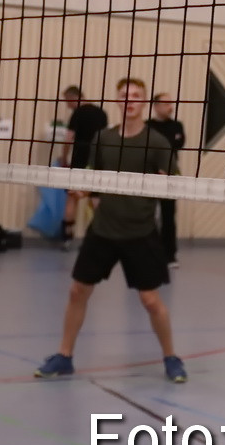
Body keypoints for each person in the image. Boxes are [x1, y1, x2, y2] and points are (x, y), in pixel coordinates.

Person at [35, 78, 187, 383]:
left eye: (136, 96)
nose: (130, 100)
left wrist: (167, 181)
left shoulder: (158, 142)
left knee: (151, 301)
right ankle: (64, 356)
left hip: (140, 231)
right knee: (77, 291)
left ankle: (171, 357)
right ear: (117, 101)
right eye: (124, 96)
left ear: (143, 102)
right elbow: (93, 175)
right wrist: (84, 192)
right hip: (103, 229)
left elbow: (175, 179)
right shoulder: (103, 138)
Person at [59, 85, 108, 248]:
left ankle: (67, 238)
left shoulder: (77, 113)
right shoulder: (101, 112)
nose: (67, 105)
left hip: (79, 158)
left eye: (67, 101)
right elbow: (105, 137)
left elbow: (68, 138)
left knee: (72, 197)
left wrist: (64, 158)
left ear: (73, 98)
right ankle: (102, 236)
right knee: (96, 197)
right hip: (97, 159)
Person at [147, 93, 185, 269]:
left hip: (170, 176)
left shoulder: (177, 125)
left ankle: (169, 255)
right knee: (147, 215)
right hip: (149, 176)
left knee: (168, 216)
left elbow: (177, 144)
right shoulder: (148, 126)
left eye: (171, 103)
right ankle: (148, 252)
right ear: (156, 106)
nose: (171, 106)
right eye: (166, 103)